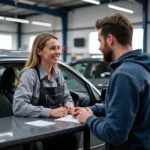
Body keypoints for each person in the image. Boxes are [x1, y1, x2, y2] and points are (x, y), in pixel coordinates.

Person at [73, 13, 150, 150]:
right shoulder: (141, 68)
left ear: (110, 39)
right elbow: (125, 110)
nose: (99, 47)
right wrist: (91, 109)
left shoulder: (124, 75)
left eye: (99, 41)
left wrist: (89, 119)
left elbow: (115, 134)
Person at [13, 33, 80, 150]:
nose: (58, 52)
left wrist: (69, 105)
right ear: (39, 51)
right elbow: (19, 107)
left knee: (74, 136)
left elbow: (67, 97)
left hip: (57, 127)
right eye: (52, 48)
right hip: (36, 131)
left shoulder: (58, 73)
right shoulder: (30, 74)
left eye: (58, 48)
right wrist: (50, 112)